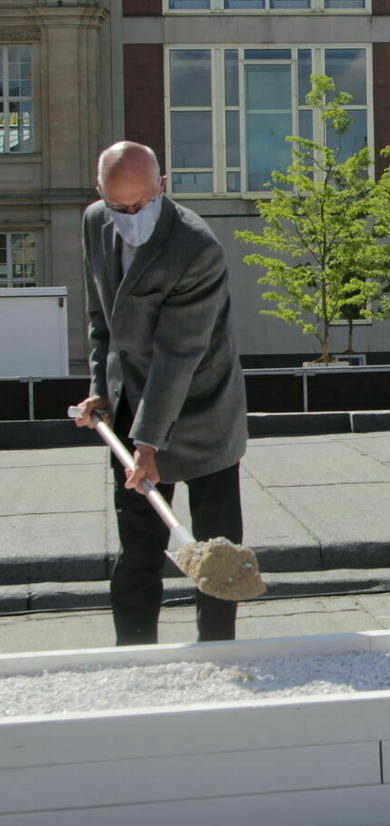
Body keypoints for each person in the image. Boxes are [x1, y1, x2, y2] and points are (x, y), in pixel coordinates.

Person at [70, 142, 249, 644]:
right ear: (100, 192)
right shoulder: (93, 223)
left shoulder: (196, 248)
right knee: (139, 544)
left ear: (161, 188)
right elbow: (100, 320)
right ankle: (134, 652)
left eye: (141, 204)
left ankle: (217, 652)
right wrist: (99, 390)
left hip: (203, 408)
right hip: (132, 405)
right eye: (118, 206)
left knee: (217, 551)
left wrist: (148, 445)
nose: (130, 216)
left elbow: (177, 357)